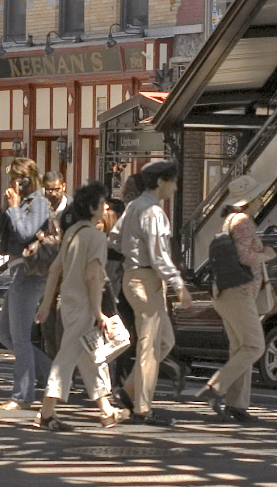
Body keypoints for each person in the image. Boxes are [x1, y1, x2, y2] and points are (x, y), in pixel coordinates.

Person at [34, 182, 130, 431]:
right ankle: (46, 413)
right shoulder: (96, 237)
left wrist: (46, 303)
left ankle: (107, 411)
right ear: (92, 208)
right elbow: (93, 276)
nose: (106, 207)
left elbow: (55, 269)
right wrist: (99, 312)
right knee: (66, 359)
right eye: (103, 203)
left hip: (68, 303)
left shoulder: (72, 232)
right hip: (85, 306)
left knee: (90, 358)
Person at [195, 175, 276, 424]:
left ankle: (237, 405)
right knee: (254, 346)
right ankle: (215, 388)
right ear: (249, 200)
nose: (261, 200)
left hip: (227, 293)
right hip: (239, 293)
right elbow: (244, 255)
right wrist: (266, 254)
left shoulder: (229, 221)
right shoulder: (243, 221)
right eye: (258, 196)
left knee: (240, 349)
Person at [118, 160, 192, 427]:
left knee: (163, 340)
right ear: (161, 182)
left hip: (133, 276)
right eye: (173, 181)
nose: (175, 187)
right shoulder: (154, 212)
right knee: (150, 344)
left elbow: (114, 237)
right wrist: (178, 284)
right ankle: (142, 408)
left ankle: (129, 391)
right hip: (147, 278)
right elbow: (159, 255)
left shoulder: (133, 207)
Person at [0, 157, 51, 407]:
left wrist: (15, 208)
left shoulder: (39, 203)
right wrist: (6, 208)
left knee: (20, 337)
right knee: (5, 333)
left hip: (30, 272)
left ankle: (22, 396)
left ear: (28, 179)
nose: (14, 183)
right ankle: (53, 375)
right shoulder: (19, 203)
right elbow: (4, 241)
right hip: (16, 268)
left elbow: (26, 233)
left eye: (18, 178)